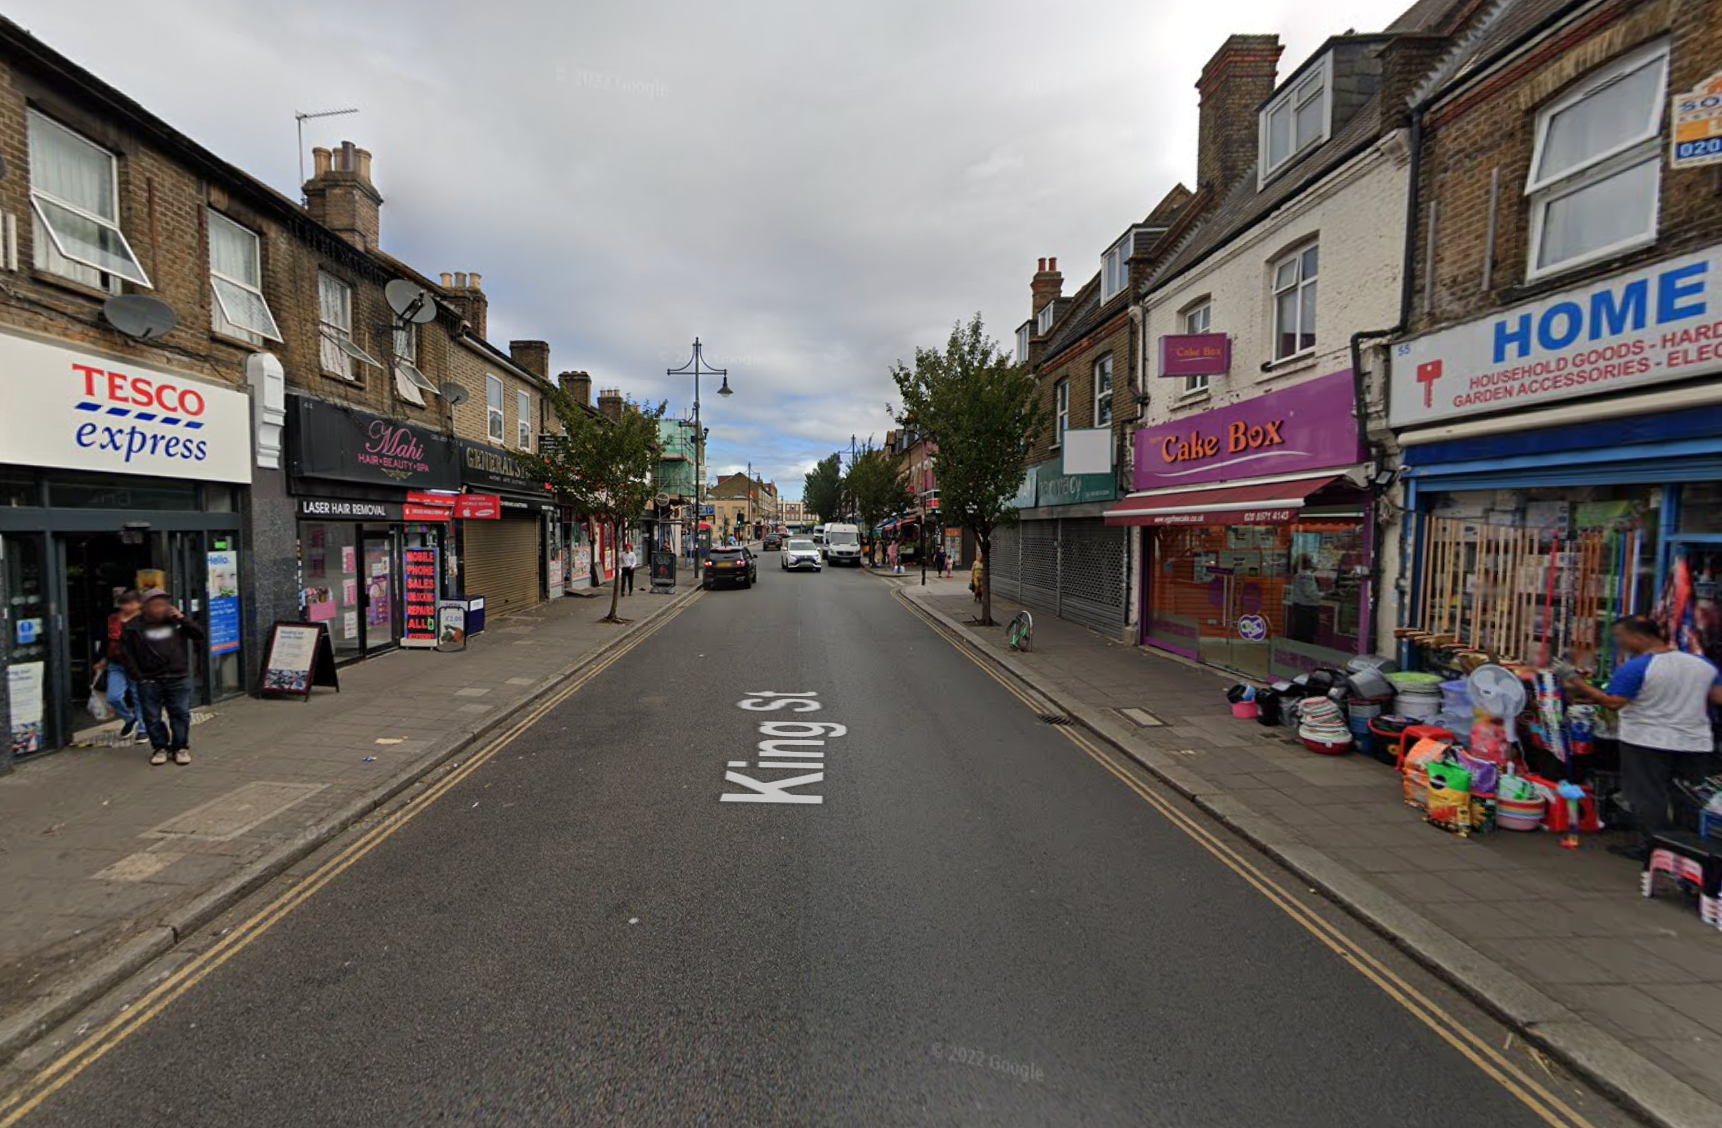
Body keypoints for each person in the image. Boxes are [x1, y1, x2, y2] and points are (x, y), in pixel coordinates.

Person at [1567, 615, 1722, 859]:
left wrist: (1575, 681)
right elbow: (1718, 698)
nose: (1619, 642)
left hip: (1646, 740)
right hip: (1695, 741)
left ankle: (1652, 848)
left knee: (1648, 795)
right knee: (1689, 796)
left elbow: (1613, 702)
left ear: (1639, 637)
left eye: (1621, 636)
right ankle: (1693, 849)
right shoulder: (1702, 665)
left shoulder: (1636, 667)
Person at [120, 588, 205, 766]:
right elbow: (127, 654)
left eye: (163, 604)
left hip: (177, 676)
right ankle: (160, 748)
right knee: (152, 716)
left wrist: (182, 618)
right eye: (156, 604)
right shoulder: (133, 626)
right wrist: (139, 677)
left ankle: (180, 747)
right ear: (146, 607)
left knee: (180, 713)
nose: (160, 608)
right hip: (149, 679)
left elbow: (199, 635)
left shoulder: (175, 622)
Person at [96, 590, 146, 744]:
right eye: (124, 602)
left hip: (137, 663)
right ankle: (129, 719)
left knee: (138, 697)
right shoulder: (113, 619)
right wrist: (102, 658)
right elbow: (106, 640)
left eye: (131, 603)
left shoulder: (145, 620)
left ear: (139, 604)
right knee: (113, 697)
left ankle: (143, 729)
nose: (127, 606)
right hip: (116, 662)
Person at [1287, 554, 1323, 643]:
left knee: (1299, 632)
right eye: (1310, 561)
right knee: (1307, 635)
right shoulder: (1307, 576)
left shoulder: (1299, 574)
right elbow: (1309, 593)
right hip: (1308, 607)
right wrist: (1324, 594)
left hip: (1299, 606)